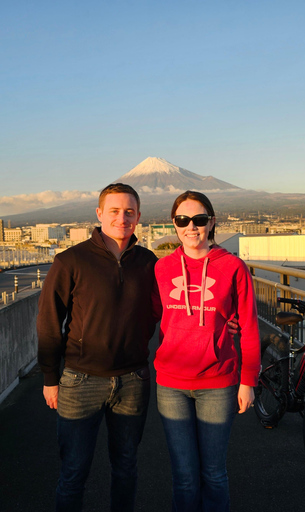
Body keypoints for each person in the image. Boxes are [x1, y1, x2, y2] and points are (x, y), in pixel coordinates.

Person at [37, 183, 159, 511]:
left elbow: (163, 311)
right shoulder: (70, 261)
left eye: (129, 212)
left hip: (133, 379)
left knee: (126, 467)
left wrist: (225, 319)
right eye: (115, 211)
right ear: (99, 214)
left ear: (138, 217)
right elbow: (49, 321)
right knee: (74, 471)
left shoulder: (149, 263)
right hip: (80, 381)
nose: (123, 218)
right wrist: (50, 376)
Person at [154, 190, 261, 512]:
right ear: (174, 224)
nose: (191, 227)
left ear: (212, 222)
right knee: (184, 476)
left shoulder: (233, 267)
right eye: (182, 220)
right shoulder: (161, 269)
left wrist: (248, 380)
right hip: (171, 384)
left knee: (214, 474)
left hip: (218, 382)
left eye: (199, 219)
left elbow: (250, 327)